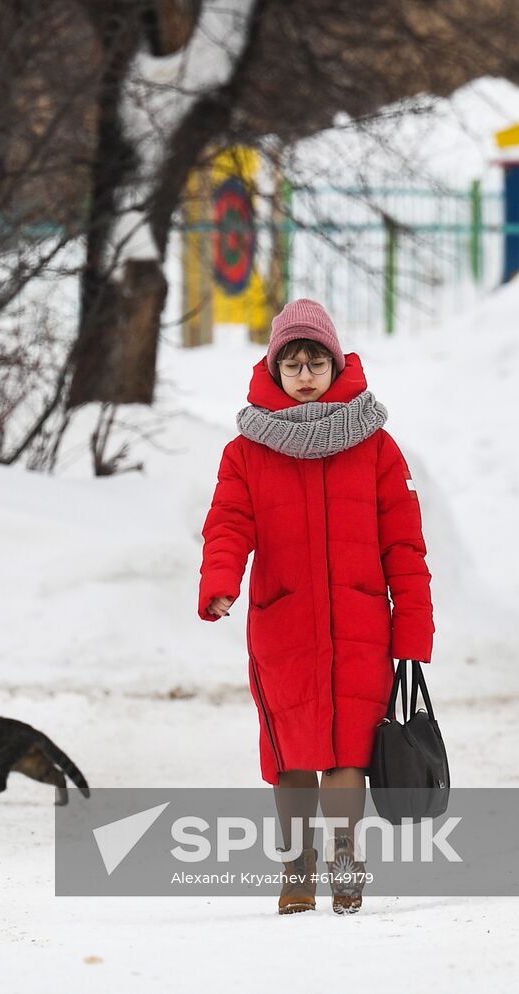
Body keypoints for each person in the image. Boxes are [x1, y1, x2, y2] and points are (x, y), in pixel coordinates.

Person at [197, 298, 434, 915]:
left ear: (336, 365)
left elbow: (405, 547)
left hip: (360, 626)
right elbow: (227, 524)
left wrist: (411, 634)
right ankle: (298, 868)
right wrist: (221, 581)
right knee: (291, 754)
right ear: (275, 372)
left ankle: (347, 859)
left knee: (351, 751)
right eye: (293, 363)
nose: (305, 374)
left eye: (316, 361)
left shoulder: (378, 448)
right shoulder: (246, 452)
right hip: (284, 624)